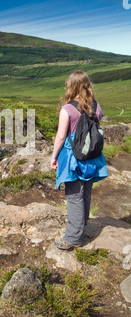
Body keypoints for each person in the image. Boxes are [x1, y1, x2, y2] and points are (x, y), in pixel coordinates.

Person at [50, 71, 108, 250]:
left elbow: (60, 137)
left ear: (71, 86)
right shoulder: (96, 107)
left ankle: (73, 237)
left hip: (73, 157)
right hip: (92, 156)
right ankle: (81, 225)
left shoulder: (67, 109)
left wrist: (53, 157)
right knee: (86, 192)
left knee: (74, 195)